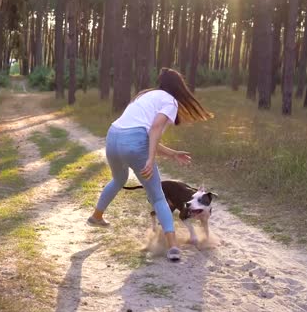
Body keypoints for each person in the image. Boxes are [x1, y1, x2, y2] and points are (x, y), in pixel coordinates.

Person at [87, 68, 213, 261]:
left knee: (118, 179)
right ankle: (172, 246)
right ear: (179, 87)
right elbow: (152, 130)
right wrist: (150, 158)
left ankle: (96, 216)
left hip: (113, 137)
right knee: (158, 197)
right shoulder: (170, 101)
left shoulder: (146, 96)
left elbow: (143, 133)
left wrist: (172, 154)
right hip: (134, 141)